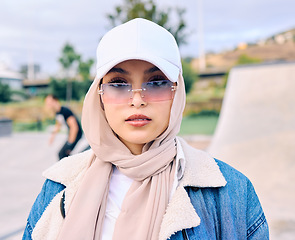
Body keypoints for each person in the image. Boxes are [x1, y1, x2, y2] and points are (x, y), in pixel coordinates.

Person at [23, 18, 269, 240]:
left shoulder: (231, 194)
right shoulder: (60, 187)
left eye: (157, 82)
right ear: (99, 96)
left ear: (177, 92)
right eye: (119, 84)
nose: (138, 100)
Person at [45, 94, 83, 160]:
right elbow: (58, 124)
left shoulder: (65, 111)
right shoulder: (58, 112)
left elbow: (74, 127)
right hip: (71, 134)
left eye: (49, 102)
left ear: (55, 101)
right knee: (64, 155)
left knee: (62, 154)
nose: (48, 104)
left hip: (76, 134)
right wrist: (52, 137)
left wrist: (70, 143)